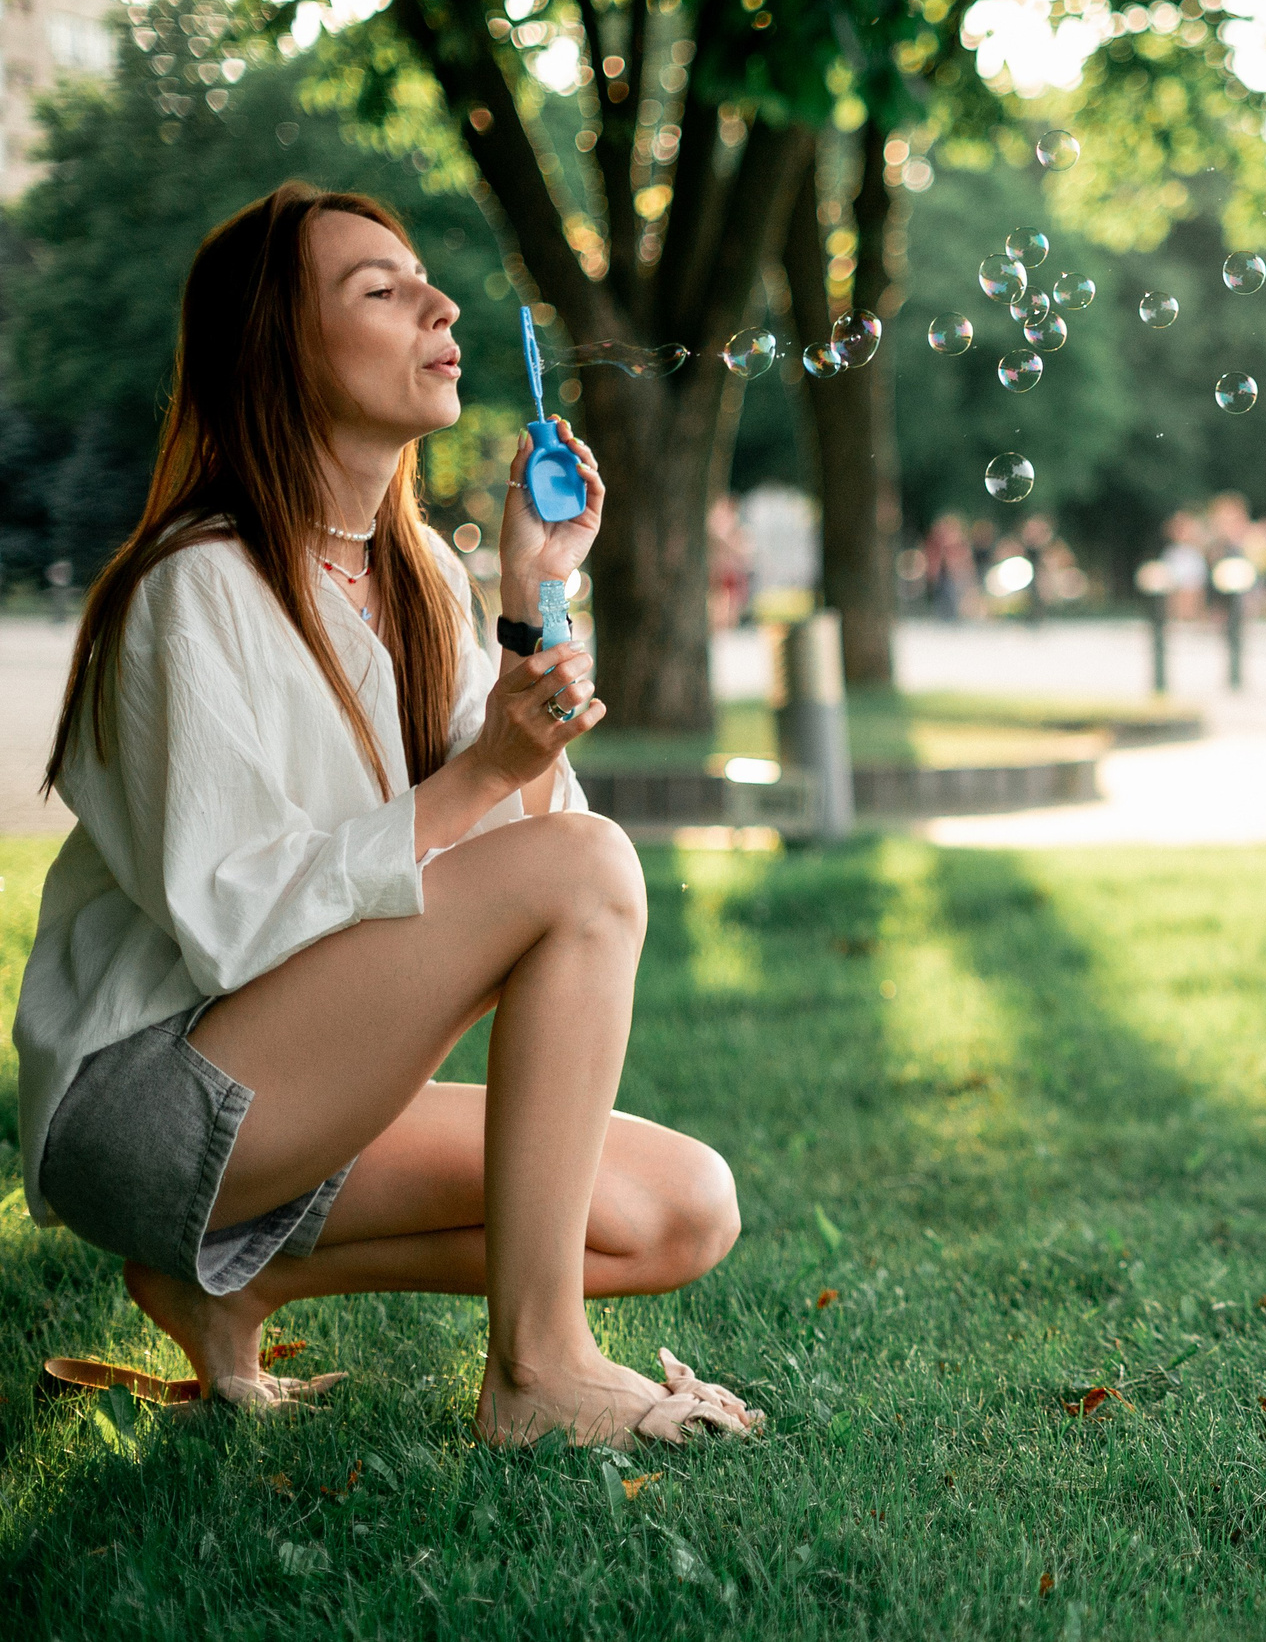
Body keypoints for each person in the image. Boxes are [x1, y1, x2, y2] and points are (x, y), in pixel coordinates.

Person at [11, 185, 760, 1448]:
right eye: (379, 287)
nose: (441, 301)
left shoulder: (416, 578)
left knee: (686, 1208)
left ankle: (241, 1280)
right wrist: (476, 778)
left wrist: (529, 598)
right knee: (588, 867)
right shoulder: (196, 589)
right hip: (153, 1097)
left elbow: (525, 869)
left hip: (305, 1081)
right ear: (279, 348)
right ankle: (539, 1372)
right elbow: (240, 924)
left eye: (425, 279)